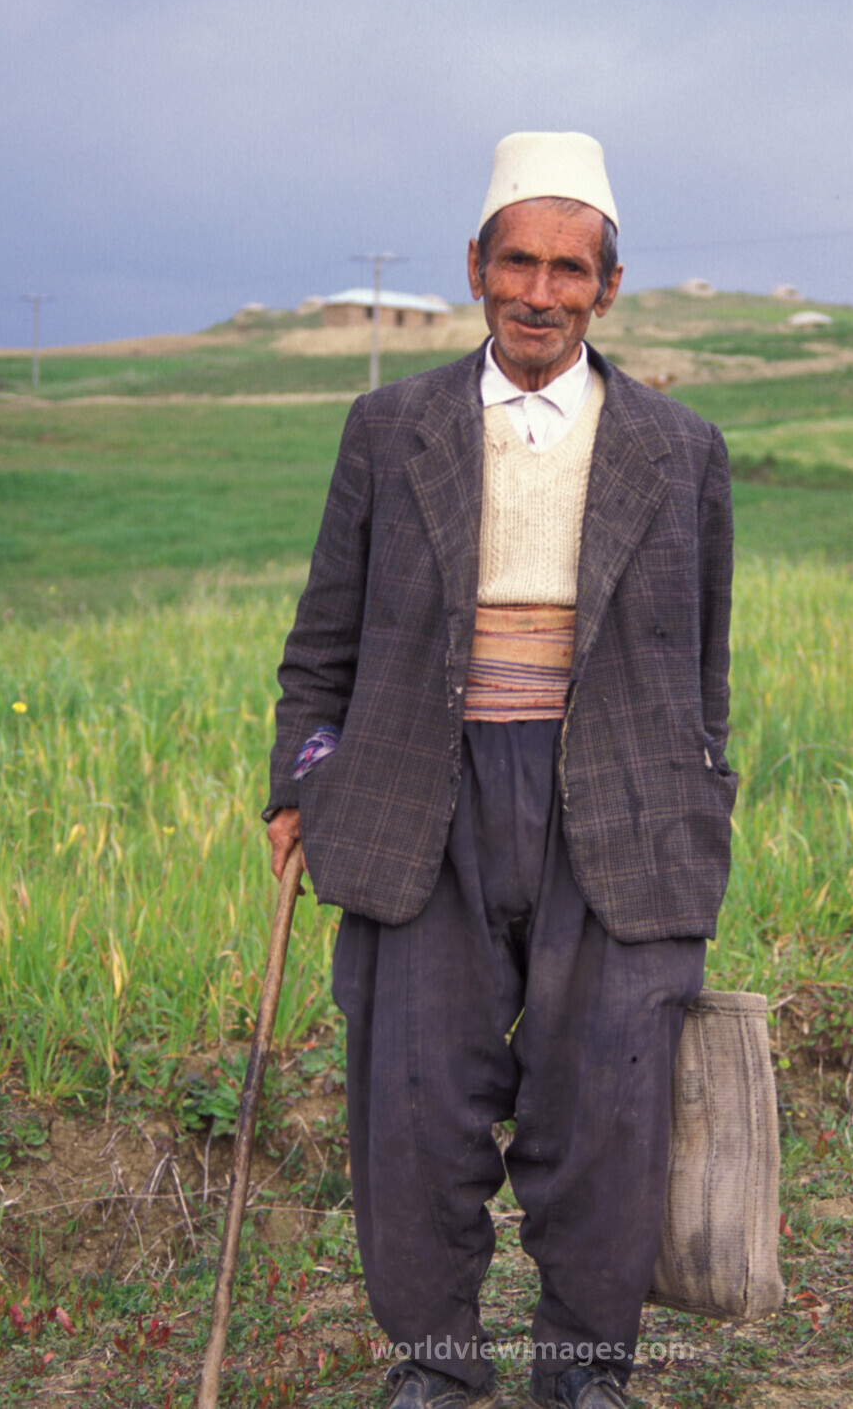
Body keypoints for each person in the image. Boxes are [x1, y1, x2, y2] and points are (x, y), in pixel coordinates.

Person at [264, 132, 737, 1409]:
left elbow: (706, 667)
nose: (539, 291)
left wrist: (705, 797)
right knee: (415, 1092)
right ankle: (436, 1360)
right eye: (515, 262)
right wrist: (298, 778)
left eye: (567, 270)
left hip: (621, 805)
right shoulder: (390, 427)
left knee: (607, 1102)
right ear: (474, 268)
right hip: (425, 791)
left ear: (608, 287)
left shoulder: (680, 449)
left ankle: (583, 1369)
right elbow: (323, 642)